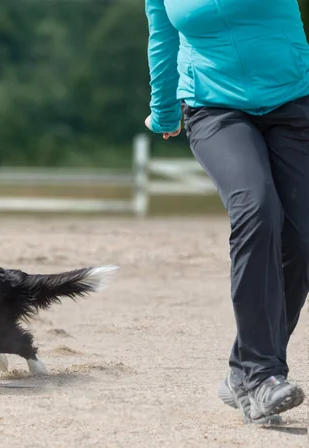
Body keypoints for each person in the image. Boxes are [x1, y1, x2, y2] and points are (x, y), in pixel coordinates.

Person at [144, 0, 308, 425]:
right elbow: (162, 36)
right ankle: (261, 376)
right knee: (257, 206)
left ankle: (243, 367)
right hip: (214, 107)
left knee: (302, 237)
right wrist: (163, 109)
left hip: (293, 101)